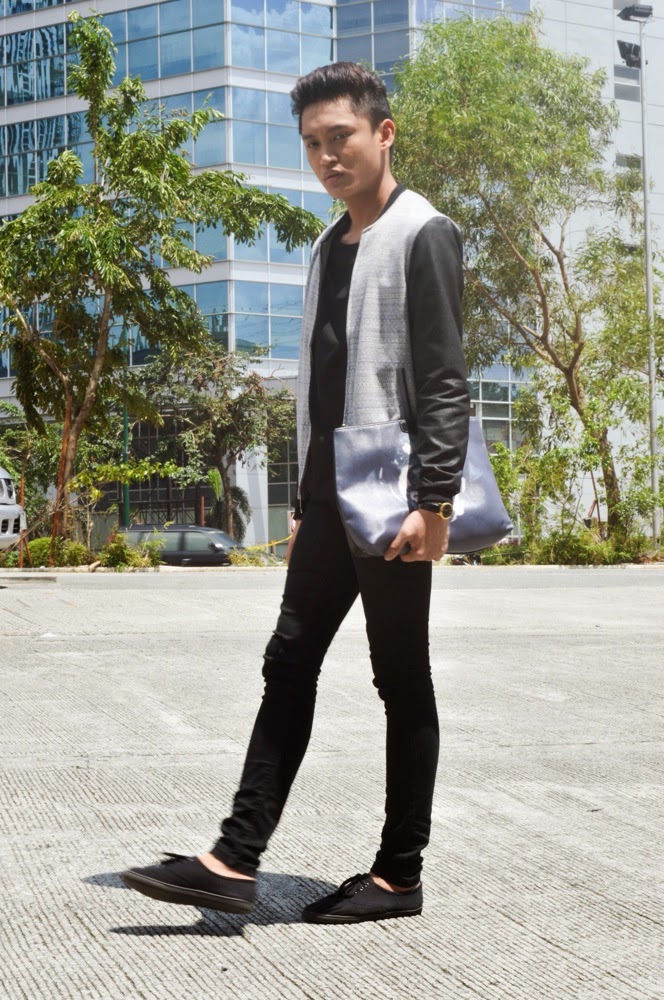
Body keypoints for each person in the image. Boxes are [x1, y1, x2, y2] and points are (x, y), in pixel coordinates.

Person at [122, 61, 470, 925]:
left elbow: (444, 380)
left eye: (339, 137)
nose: (325, 156)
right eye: (311, 143)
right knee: (288, 662)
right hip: (328, 498)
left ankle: (399, 875)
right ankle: (234, 859)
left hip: (391, 496)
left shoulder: (424, 232)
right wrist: (307, 504)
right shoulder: (324, 247)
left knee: (400, 678)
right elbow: (320, 387)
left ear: (383, 133)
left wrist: (435, 502)